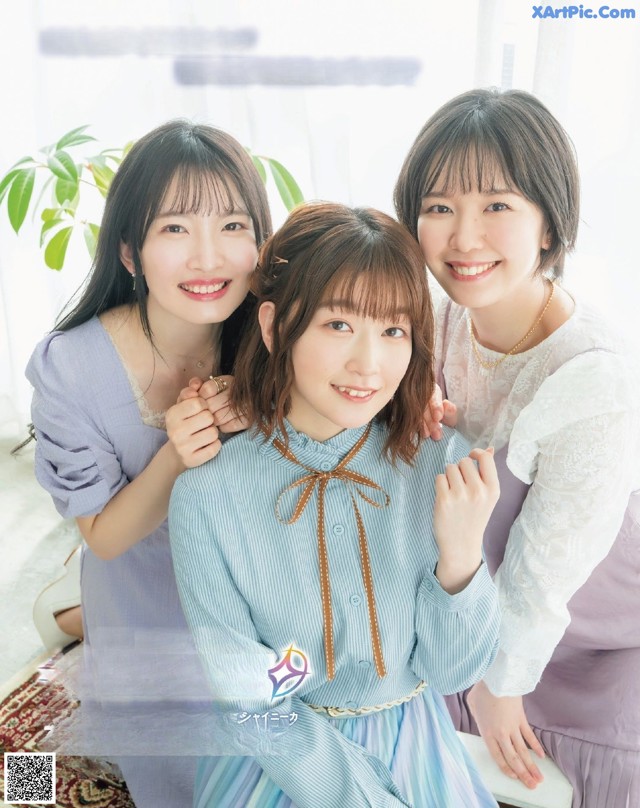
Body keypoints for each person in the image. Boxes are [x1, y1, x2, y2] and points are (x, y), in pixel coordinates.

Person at [169, 201, 502, 808]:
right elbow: (245, 692)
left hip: (417, 752)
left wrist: (459, 560)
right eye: (339, 325)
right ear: (273, 327)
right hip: (277, 764)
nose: (368, 365)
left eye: (393, 330)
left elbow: (454, 675)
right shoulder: (207, 493)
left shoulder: (440, 462)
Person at [394, 87, 640, 807]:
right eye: (439, 207)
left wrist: (498, 687)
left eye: (496, 206)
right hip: (468, 591)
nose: (463, 238)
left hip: (597, 620)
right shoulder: (434, 321)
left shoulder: (592, 378)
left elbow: (544, 575)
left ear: (547, 224)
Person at [25, 119, 272, 807]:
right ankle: (80, 633)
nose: (207, 258)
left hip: (260, 609)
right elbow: (102, 537)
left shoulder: (277, 335)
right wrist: (176, 458)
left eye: (232, 225)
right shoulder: (70, 368)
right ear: (130, 253)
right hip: (147, 614)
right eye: (174, 230)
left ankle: (69, 625)